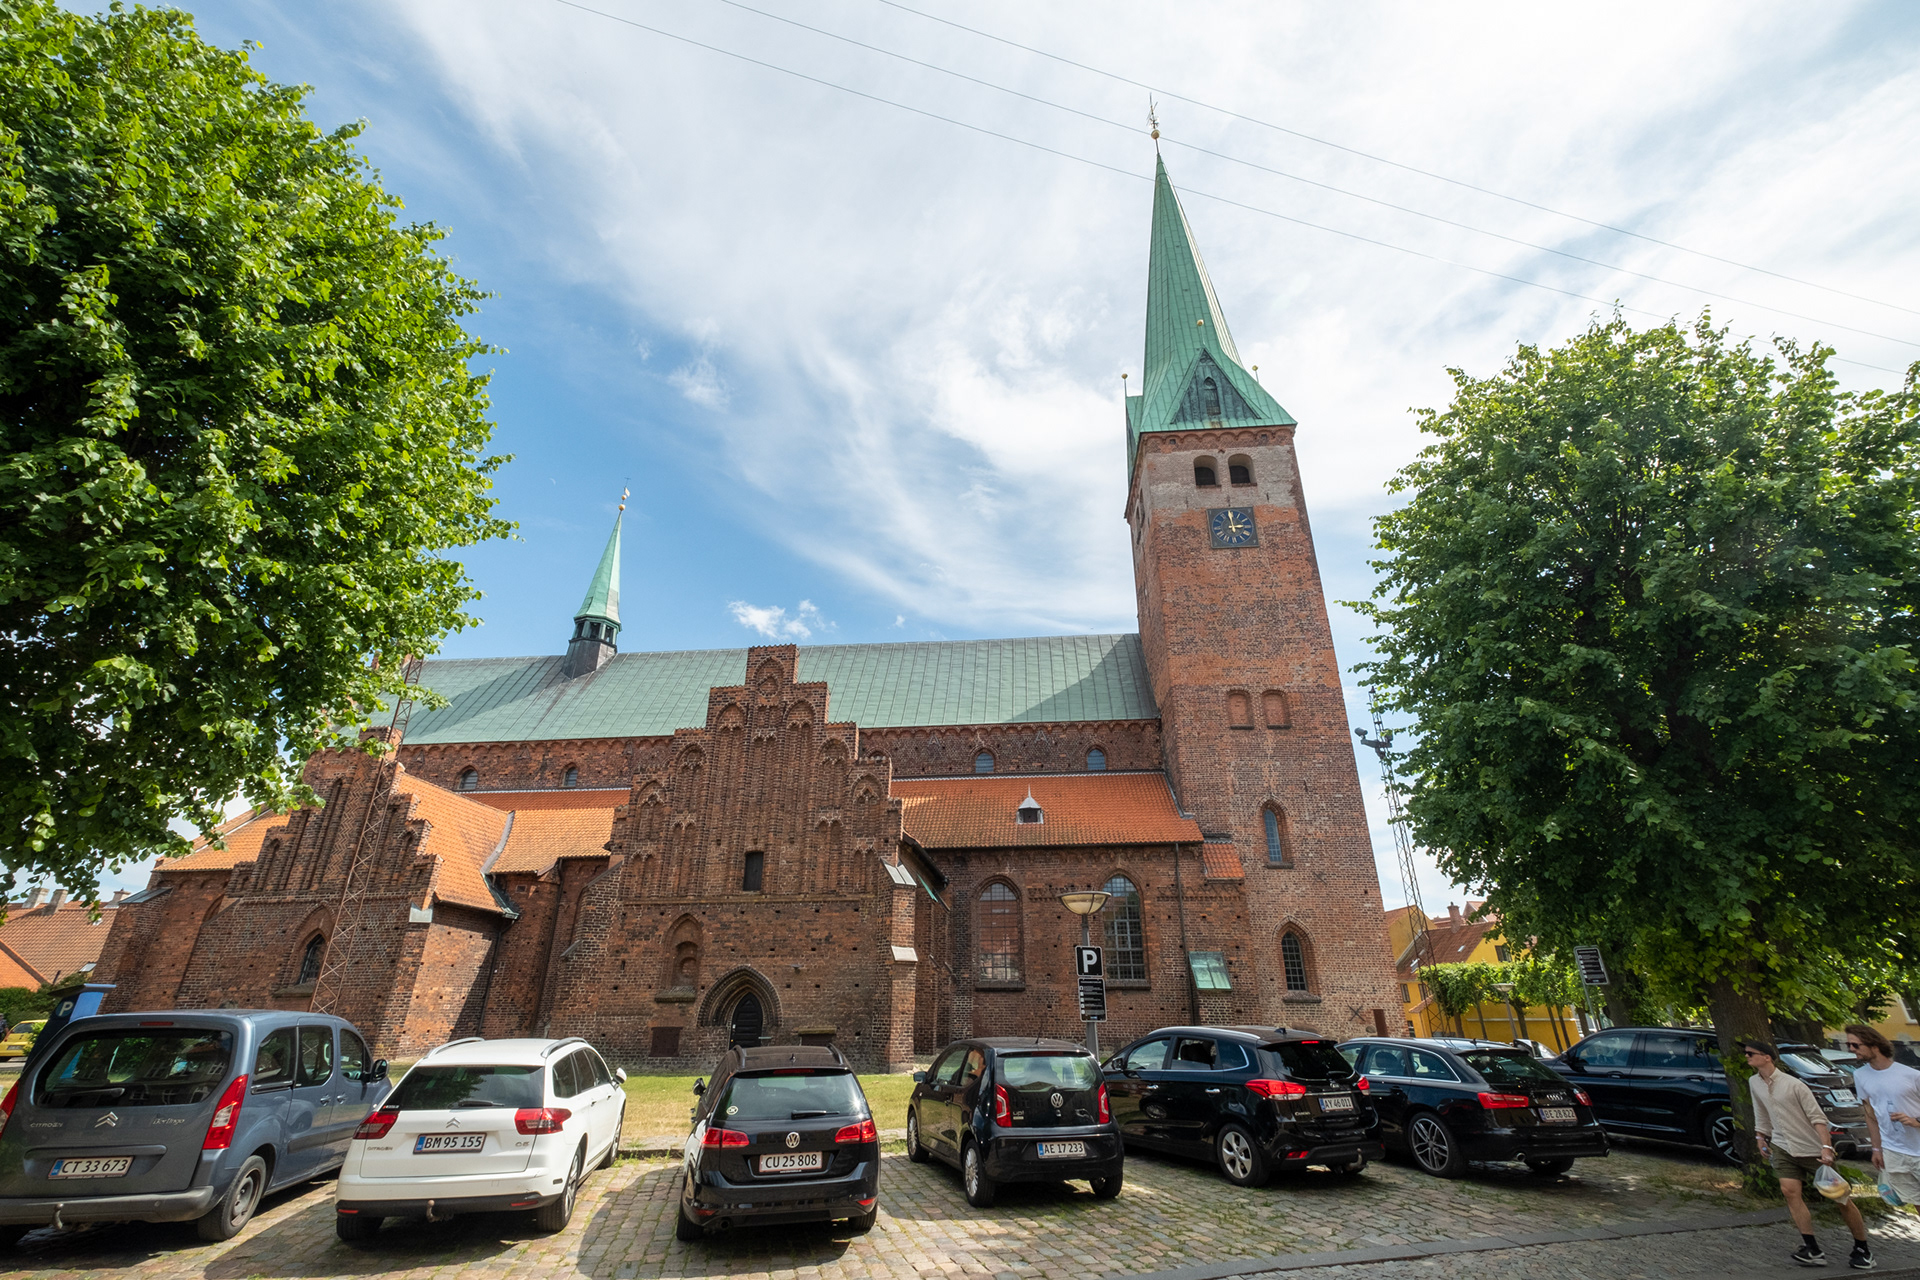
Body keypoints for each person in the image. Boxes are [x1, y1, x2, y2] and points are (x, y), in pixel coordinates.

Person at [1747, 1040, 1874, 1269]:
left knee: (1839, 1197)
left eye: (1750, 1053)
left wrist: (1826, 1147)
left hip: (1811, 1149)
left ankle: (1862, 1249)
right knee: (1789, 1192)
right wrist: (1760, 1137)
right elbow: (1761, 1111)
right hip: (1782, 1146)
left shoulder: (1794, 1085)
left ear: (1767, 1057)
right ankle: (1812, 1249)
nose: (1746, 1057)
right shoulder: (1754, 1082)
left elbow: (1818, 1118)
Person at [1849, 1024, 1920, 1217]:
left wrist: (1916, 1121)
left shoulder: (1911, 1075)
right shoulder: (1860, 1075)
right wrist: (1876, 1148)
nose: (1851, 1049)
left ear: (1874, 1045)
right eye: (1849, 1045)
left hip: (1918, 1147)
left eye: (1855, 1045)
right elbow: (1870, 1114)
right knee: (1915, 1200)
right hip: (1894, 1150)